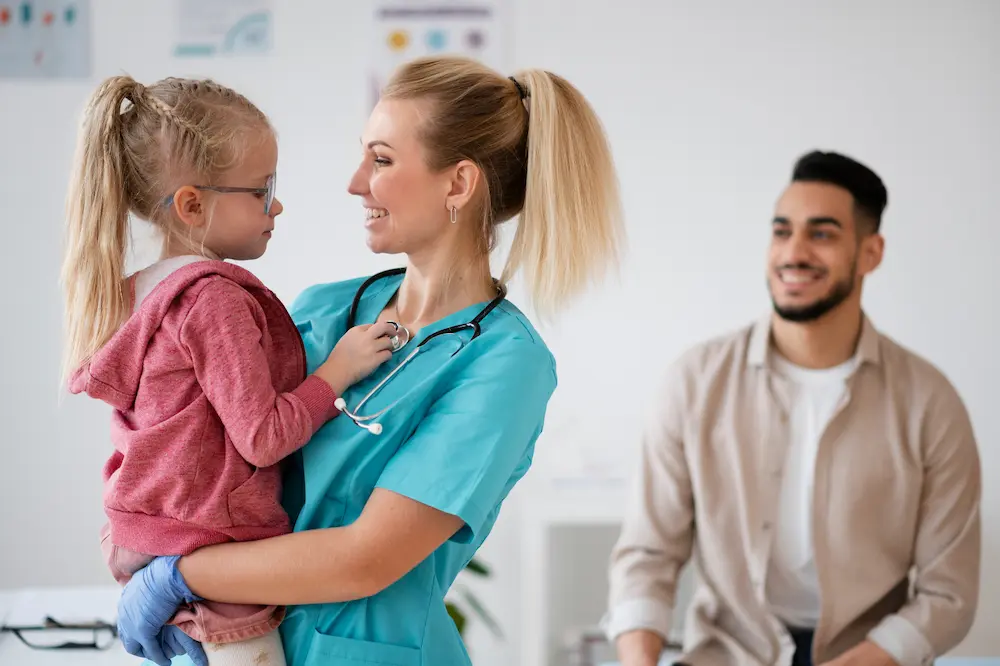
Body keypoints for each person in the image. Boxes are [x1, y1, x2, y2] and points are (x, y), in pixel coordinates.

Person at [112, 55, 626, 666]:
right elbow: (198, 443)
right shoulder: (322, 311)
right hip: (232, 638)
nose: (356, 183)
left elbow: (365, 559)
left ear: (458, 184)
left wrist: (174, 574)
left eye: (381, 160)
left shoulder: (504, 366)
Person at [62, 75, 395, 666]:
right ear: (193, 204)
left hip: (143, 535)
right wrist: (339, 370)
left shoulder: (141, 292)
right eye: (263, 191)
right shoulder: (212, 300)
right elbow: (263, 438)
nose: (278, 206)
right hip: (206, 542)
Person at [605, 151, 980, 666]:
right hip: (726, 652)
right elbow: (648, 555)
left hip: (869, 656)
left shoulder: (930, 404)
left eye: (822, 234)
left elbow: (948, 594)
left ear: (870, 253)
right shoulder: (693, 382)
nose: (794, 252)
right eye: (782, 232)